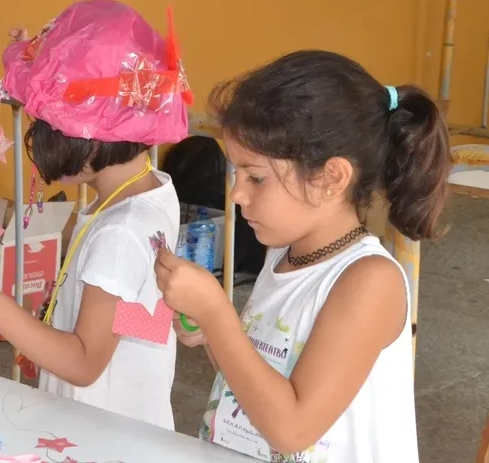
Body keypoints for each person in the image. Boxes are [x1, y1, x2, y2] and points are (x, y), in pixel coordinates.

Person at [154, 50, 450, 461]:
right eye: (236, 173)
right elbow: (259, 383)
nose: (237, 194)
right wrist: (212, 332)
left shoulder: (369, 282)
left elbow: (292, 429)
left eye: (256, 177)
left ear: (331, 178)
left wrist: (218, 315)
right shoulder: (282, 254)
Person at [0, 0, 192, 430]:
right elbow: (136, 317)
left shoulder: (119, 231)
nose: (39, 141)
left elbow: (83, 363)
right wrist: (53, 326)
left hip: (102, 437)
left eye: (49, 126)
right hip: (127, 426)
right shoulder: (151, 190)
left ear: (94, 136)